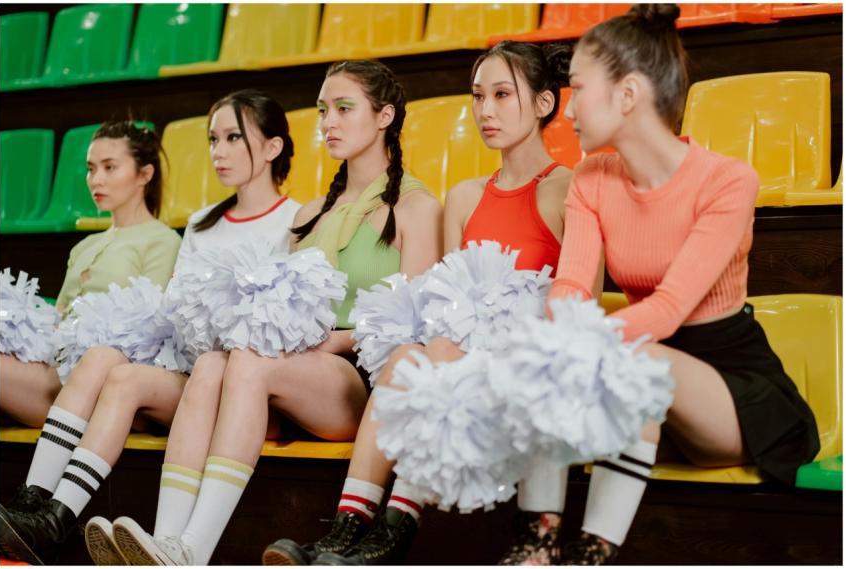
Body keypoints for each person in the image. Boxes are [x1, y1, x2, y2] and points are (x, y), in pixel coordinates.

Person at [263, 41, 601, 567]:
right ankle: (347, 530)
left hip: (529, 369)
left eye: (502, 95)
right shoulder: (465, 197)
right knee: (405, 357)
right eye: (477, 96)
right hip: (454, 361)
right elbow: (441, 301)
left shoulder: (571, 188)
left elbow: (583, 300)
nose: (485, 111)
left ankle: (393, 533)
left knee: (433, 354)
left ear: (542, 104)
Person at [107, 59, 443, 566]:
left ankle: (193, 551)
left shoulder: (417, 207)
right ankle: (166, 540)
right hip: (291, 375)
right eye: (323, 109)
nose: (328, 122)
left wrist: (335, 339)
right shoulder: (309, 215)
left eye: (344, 108)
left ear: (384, 116)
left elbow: (417, 326)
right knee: (213, 362)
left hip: (361, 385)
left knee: (245, 360)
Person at [546, 4, 820, 564]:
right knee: (565, 360)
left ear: (627, 95)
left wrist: (571, 347)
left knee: (630, 361)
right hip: (644, 374)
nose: (568, 109)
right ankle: (543, 545)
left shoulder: (728, 180)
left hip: (732, 385)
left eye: (577, 89)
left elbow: (669, 308)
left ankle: (588, 553)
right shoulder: (592, 178)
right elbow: (571, 287)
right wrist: (547, 344)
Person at [0, 90, 303, 566]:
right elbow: (175, 315)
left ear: (272, 147)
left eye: (232, 138)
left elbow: (293, 317)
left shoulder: (298, 220)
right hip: (192, 371)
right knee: (118, 371)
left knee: (208, 368)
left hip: (252, 381)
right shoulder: (202, 224)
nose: (218, 152)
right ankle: (53, 515)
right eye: (212, 139)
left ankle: (178, 546)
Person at [0, 122, 181, 430]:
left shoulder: (164, 241)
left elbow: (153, 332)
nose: (96, 180)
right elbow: (55, 320)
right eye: (91, 168)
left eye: (110, 168)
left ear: (145, 175)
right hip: (54, 373)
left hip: (100, 386)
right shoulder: (84, 246)